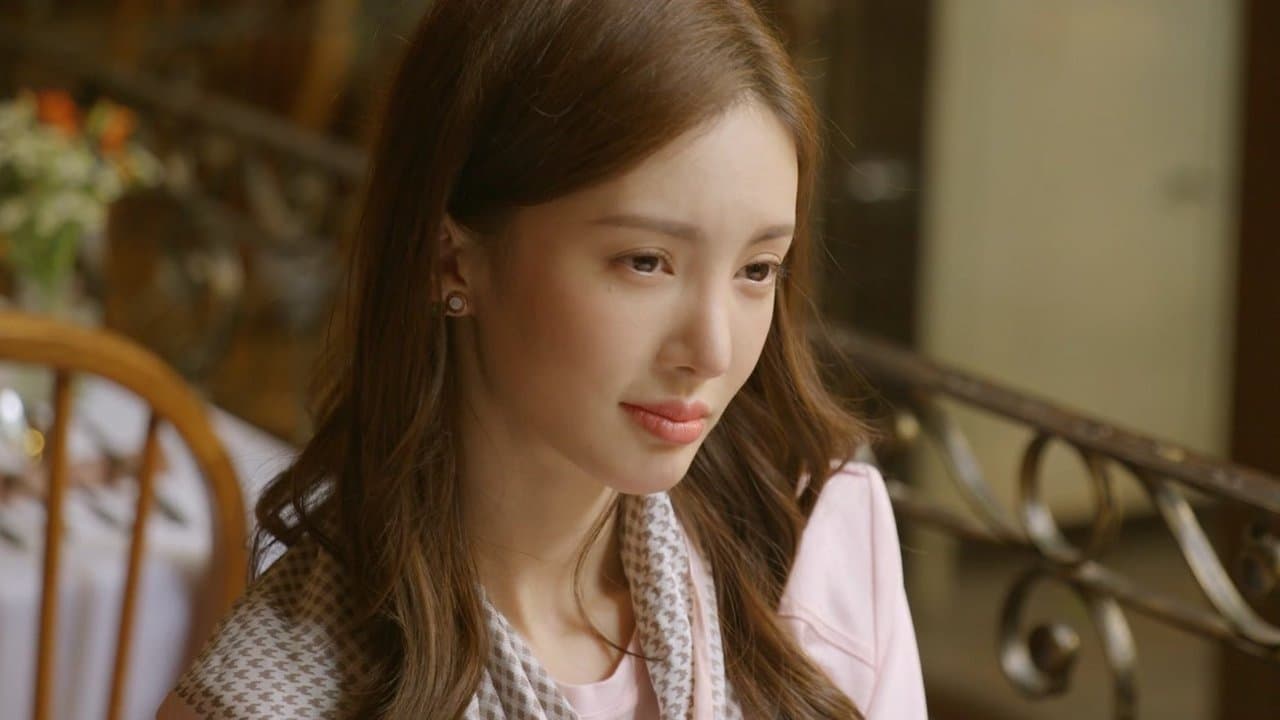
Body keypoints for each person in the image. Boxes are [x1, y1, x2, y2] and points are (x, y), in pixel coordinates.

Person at [159, 0, 927, 717]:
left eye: (757, 270)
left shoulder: (813, 549)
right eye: (645, 262)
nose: (712, 351)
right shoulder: (276, 695)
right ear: (452, 260)